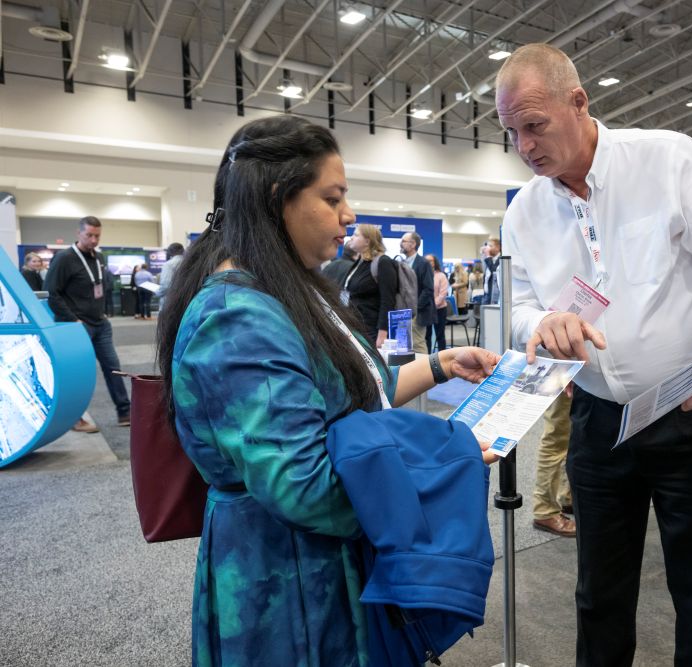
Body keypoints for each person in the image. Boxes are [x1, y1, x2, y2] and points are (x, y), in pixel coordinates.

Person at [155, 115, 500, 666]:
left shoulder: (285, 290)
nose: (349, 215)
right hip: (291, 582)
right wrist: (440, 462)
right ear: (277, 198)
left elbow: (363, 393)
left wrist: (439, 364)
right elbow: (303, 486)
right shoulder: (237, 316)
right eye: (332, 197)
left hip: (322, 564)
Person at [495, 44, 692, 666]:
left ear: (579, 102)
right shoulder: (525, 211)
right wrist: (542, 321)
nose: (525, 146)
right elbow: (517, 309)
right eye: (511, 132)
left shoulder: (668, 158)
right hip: (600, 421)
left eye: (534, 125)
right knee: (599, 595)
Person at [44, 216, 131, 431]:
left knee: (113, 368)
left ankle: (125, 412)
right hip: (76, 326)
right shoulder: (64, 258)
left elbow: (100, 287)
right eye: (89, 235)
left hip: (100, 325)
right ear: (78, 233)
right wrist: (74, 319)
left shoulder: (98, 257)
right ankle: (75, 418)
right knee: (78, 373)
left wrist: (103, 313)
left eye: (97, 236)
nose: (93, 240)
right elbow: (51, 293)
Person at [342, 223, 397, 349]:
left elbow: (388, 300)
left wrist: (383, 334)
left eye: (356, 235)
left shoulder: (383, 262)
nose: (351, 238)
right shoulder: (359, 262)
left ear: (367, 241)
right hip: (355, 325)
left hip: (372, 330)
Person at [532, 391, 575, 537]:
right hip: (564, 371)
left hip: (584, 373)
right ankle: (544, 510)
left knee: (574, 428)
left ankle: (567, 497)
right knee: (557, 435)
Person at [399, 231, 435, 353]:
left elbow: (428, 289)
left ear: (413, 244)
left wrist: (415, 308)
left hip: (417, 314)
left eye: (404, 241)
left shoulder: (423, 263)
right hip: (403, 313)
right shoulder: (402, 263)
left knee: (417, 345)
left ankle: (425, 371)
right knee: (405, 346)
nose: (401, 244)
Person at [424, 254, 449, 352]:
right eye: (426, 260)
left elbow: (443, 294)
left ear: (435, 263)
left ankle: (443, 358)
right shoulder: (423, 275)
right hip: (427, 310)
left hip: (439, 309)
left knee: (440, 335)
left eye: (431, 261)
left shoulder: (441, 276)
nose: (428, 263)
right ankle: (427, 357)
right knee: (427, 336)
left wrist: (432, 305)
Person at [158, 242, 185, 310]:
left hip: (171, 303)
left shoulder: (169, 265)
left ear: (170, 252)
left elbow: (166, 285)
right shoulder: (190, 263)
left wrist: (158, 293)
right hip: (186, 302)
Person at [481, 236, 501, 305]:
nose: (488, 248)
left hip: (495, 296)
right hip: (486, 294)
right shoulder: (489, 259)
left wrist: (488, 256)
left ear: (498, 248)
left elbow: (494, 271)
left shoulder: (501, 259)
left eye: (490, 246)